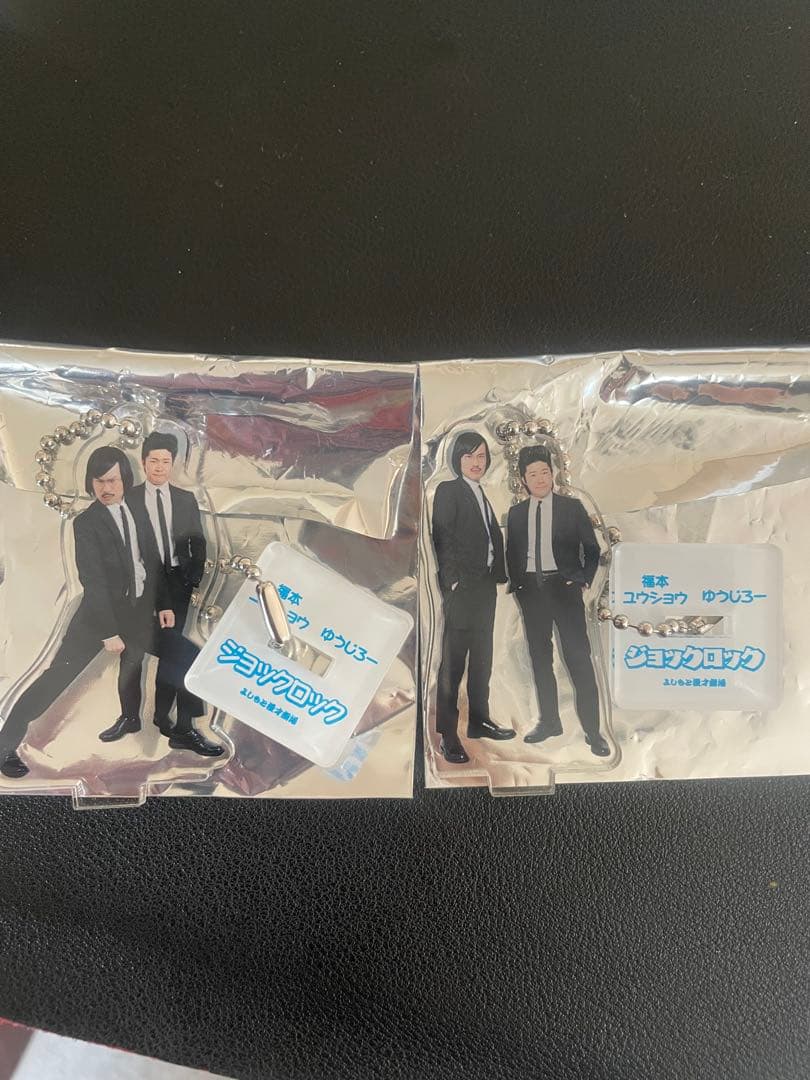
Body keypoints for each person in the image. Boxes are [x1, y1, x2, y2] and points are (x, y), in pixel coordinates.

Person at [0, 447, 176, 779]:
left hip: (137, 612)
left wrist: (164, 604)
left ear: (125, 479)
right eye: (99, 481)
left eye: (113, 480)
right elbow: (93, 580)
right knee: (55, 679)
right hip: (97, 618)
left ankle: (180, 729)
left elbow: (153, 563)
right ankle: (4, 746)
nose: (106, 488)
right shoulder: (87, 523)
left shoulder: (140, 512)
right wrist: (108, 631)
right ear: (90, 482)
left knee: (183, 658)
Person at [505, 446, 610, 756]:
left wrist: (581, 579)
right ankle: (550, 722)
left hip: (565, 590)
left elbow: (592, 549)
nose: (540, 479)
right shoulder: (517, 513)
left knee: (579, 659)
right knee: (540, 660)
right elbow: (513, 552)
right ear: (523, 479)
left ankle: (594, 732)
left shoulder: (571, 507)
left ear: (553, 474)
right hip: (531, 592)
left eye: (545, 472)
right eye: (533, 474)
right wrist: (519, 585)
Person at [127, 432, 221, 757]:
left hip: (178, 581)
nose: (159, 467)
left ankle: (167, 718)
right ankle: (177, 726)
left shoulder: (184, 498)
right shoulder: (129, 499)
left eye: (165, 461)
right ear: (143, 462)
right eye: (153, 460)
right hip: (144, 585)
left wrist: (193, 576)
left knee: (174, 652)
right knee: (176, 652)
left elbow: (198, 539)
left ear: (173, 464)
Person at [431, 431, 515, 765]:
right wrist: (451, 580)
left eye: (481, 456)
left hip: (484, 587)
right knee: (453, 663)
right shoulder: (449, 490)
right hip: (462, 587)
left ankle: (479, 719)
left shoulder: (481, 493)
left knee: (483, 658)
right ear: (457, 459)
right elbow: (442, 535)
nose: (476, 462)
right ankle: (448, 735)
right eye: (469, 456)